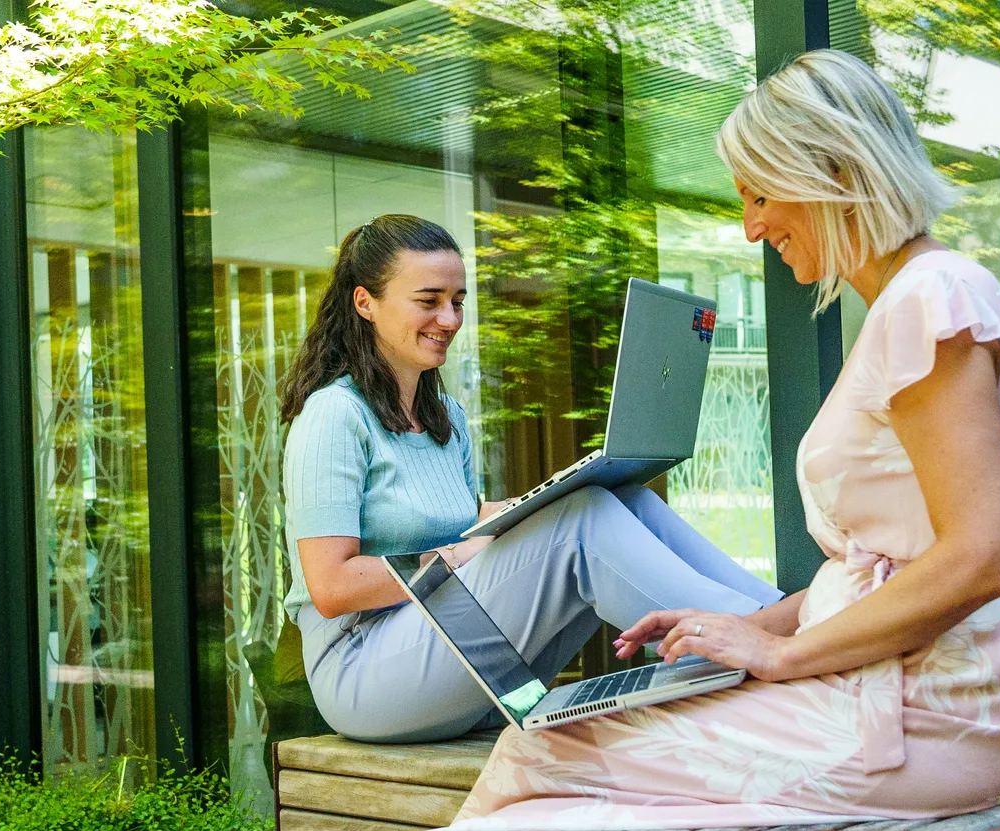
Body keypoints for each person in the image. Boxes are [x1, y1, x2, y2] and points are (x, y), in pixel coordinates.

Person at [453, 49, 1000, 829]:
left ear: (834, 174)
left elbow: (979, 556)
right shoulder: (920, 298)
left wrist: (781, 657)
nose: (750, 228)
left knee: (538, 752)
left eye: (761, 195)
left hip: (921, 718)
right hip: (908, 699)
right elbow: (897, 567)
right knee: (552, 744)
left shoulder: (929, 300)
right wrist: (752, 629)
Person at [281, 214, 780, 744]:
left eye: (457, 301)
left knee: (616, 496)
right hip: (366, 672)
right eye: (428, 301)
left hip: (465, 660)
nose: (449, 319)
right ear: (365, 304)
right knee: (580, 523)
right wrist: (458, 553)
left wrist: (525, 509)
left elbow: (448, 522)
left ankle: (781, 617)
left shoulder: (443, 417)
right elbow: (332, 587)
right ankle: (772, 643)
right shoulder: (333, 415)